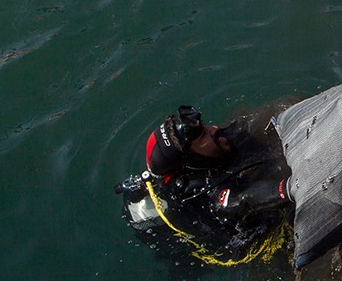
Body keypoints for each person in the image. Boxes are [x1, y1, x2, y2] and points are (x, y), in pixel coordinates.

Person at [118, 105, 293, 264]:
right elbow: (243, 199)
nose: (214, 129)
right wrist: (291, 186)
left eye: (205, 126)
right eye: (203, 135)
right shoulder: (208, 196)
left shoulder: (219, 141)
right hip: (222, 239)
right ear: (192, 161)